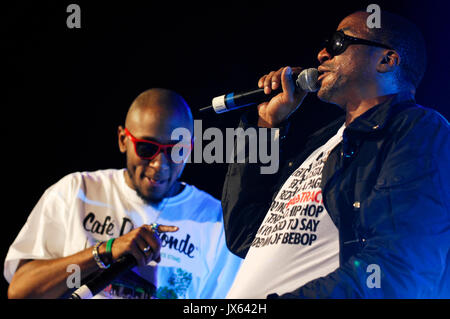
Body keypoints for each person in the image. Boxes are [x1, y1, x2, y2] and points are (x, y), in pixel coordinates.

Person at [222, 11, 449, 298]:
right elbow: (244, 234)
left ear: (386, 60)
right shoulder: (322, 142)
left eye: (338, 42)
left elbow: (397, 266)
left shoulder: (419, 130)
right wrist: (266, 127)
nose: (321, 54)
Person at [5, 88, 242, 299]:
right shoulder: (75, 192)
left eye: (175, 150)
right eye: (147, 148)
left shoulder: (215, 221)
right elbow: (20, 291)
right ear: (122, 140)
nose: (160, 164)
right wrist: (105, 251)